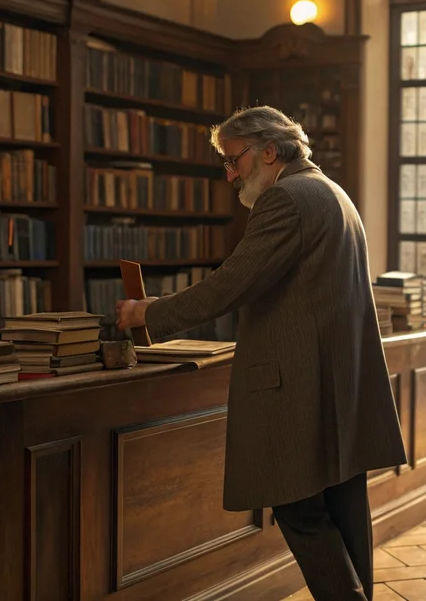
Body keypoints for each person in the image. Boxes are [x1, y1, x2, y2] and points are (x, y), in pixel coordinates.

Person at [115, 105, 407, 601]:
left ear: (270, 151)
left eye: (235, 160)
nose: (230, 175)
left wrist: (148, 313)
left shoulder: (287, 199)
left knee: (298, 507)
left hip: (300, 384)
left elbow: (230, 285)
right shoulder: (332, 192)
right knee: (342, 503)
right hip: (340, 383)